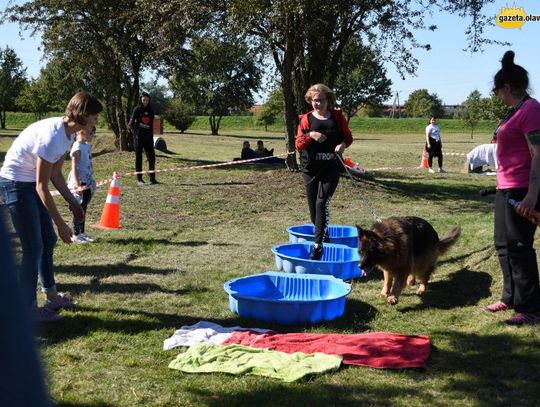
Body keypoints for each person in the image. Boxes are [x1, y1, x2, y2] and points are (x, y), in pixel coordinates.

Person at [0, 91, 102, 322]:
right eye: (94, 116)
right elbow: (40, 187)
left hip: (29, 184)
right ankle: (26, 311)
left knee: (48, 240)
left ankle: (52, 296)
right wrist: (62, 223)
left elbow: (55, 174)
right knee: (33, 248)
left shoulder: (68, 135)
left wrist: (73, 202)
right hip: (16, 184)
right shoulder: (53, 136)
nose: (96, 121)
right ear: (83, 115)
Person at [483, 50, 540, 325]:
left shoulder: (531, 110)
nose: (497, 96)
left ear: (506, 87)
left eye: (497, 91)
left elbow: (539, 153)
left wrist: (532, 193)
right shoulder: (513, 111)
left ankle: (529, 307)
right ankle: (510, 297)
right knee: (503, 245)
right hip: (505, 187)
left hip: (522, 189)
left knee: (520, 247)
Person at [296, 83, 353, 260]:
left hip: (331, 167)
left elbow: (348, 137)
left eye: (321, 100)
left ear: (328, 100)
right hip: (310, 169)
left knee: (322, 203)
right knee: (313, 210)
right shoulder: (306, 119)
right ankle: (324, 237)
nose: (317, 104)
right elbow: (298, 144)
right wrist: (311, 135)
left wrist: (342, 145)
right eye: (314, 100)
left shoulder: (337, 116)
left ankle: (318, 245)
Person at [67, 125, 97, 243]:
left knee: (84, 207)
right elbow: (74, 167)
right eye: (90, 133)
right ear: (81, 132)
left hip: (87, 181)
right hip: (79, 182)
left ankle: (82, 232)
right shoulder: (77, 147)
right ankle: (75, 234)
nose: (92, 136)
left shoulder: (86, 145)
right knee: (78, 208)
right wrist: (78, 184)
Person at [129, 92, 157, 185]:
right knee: (139, 158)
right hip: (139, 137)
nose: (145, 101)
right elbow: (131, 124)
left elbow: (151, 125)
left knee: (152, 158)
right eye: (144, 100)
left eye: (147, 100)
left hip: (148, 138)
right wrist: (135, 133)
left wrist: (151, 137)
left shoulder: (151, 111)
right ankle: (139, 179)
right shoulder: (137, 109)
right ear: (141, 100)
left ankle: (152, 179)